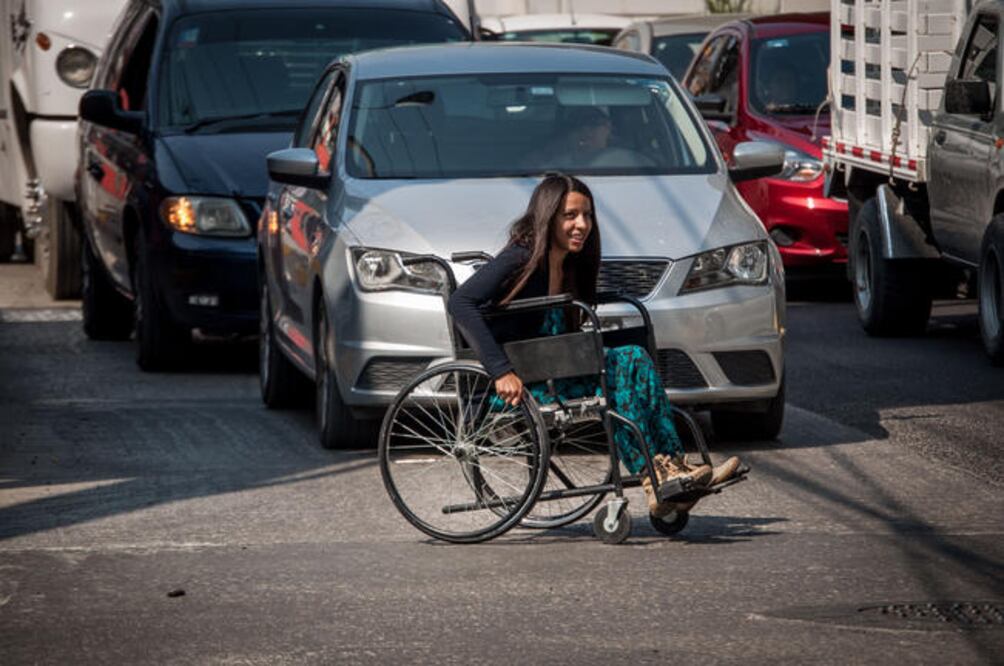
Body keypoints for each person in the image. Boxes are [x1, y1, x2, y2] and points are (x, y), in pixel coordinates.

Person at [447, 173, 741, 516]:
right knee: (622, 364)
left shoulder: (571, 264)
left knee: (636, 358)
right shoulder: (522, 256)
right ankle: (654, 477)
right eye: (569, 216)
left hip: (556, 368)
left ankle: (673, 468)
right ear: (548, 216)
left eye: (587, 215)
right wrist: (500, 372)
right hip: (526, 380)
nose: (581, 224)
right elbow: (460, 304)